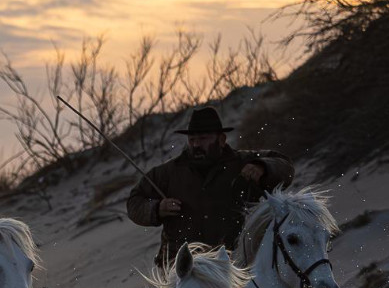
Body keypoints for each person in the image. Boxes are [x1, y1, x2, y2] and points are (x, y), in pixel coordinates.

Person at [125, 105, 294, 266]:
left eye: (203, 139)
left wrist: (262, 167)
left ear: (221, 139)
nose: (196, 145)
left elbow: (285, 166)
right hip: (182, 270)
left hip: (234, 265)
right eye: (192, 140)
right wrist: (156, 209)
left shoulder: (242, 162)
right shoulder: (169, 172)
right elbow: (134, 202)